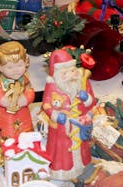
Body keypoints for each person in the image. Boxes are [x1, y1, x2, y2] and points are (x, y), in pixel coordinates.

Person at [40, 48, 96, 180]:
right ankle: (62, 171)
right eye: (65, 73)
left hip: (80, 124)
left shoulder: (83, 82)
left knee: (82, 148)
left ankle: (82, 166)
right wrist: (55, 115)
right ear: (58, 74)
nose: (71, 75)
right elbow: (46, 104)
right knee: (62, 150)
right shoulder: (52, 85)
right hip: (62, 127)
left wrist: (86, 98)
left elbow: (93, 102)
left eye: (72, 70)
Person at [0, 40, 34, 141]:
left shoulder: (25, 80)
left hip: (22, 113)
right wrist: (1, 100)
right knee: (4, 127)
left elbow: (30, 91)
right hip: (4, 114)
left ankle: (24, 141)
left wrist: (26, 99)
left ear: (25, 62)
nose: (16, 70)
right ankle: (2, 140)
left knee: (24, 128)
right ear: (0, 67)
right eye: (10, 67)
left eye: (19, 65)